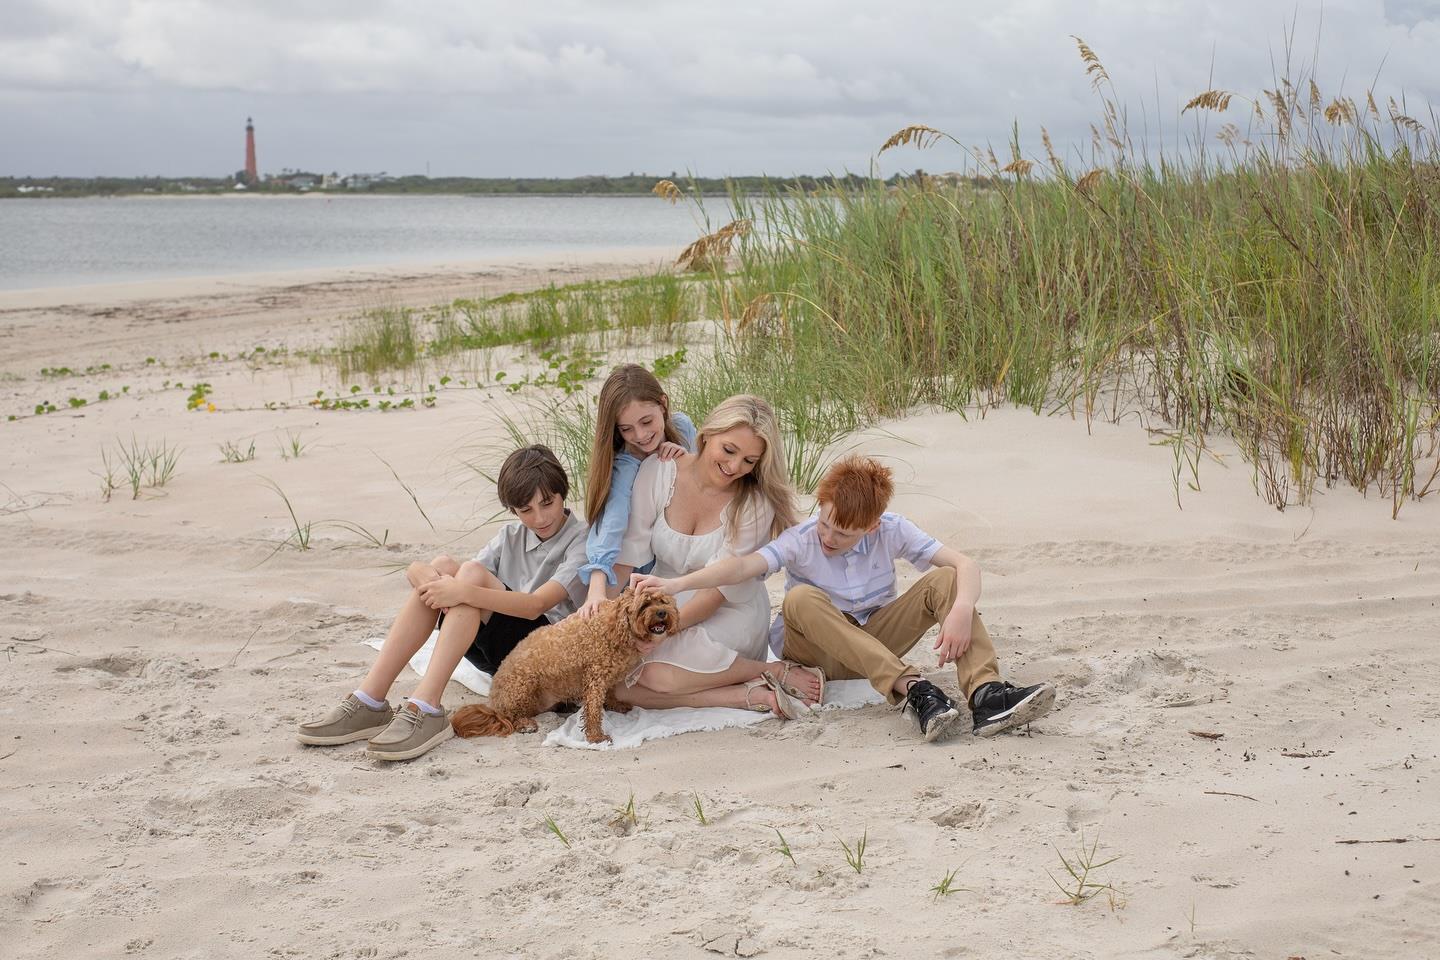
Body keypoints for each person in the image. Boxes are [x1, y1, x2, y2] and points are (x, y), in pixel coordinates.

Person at [634, 455, 1055, 742]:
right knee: (800, 599)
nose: (829, 537)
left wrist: (961, 609)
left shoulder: (892, 529)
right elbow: (741, 567)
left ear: (872, 526)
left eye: (843, 533)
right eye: (826, 523)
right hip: (818, 652)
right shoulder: (801, 539)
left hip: (873, 640)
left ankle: (986, 695)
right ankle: (912, 688)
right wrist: (676, 586)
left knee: (946, 579)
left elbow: (966, 564)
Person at [295, 444, 588, 761]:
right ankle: (370, 699)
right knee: (445, 566)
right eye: (525, 510)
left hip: (549, 662)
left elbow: (535, 605)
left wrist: (459, 591)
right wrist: (419, 570)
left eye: (547, 503)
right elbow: (457, 577)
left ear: (563, 493)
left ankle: (426, 706)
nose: (539, 517)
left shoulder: (583, 539)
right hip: (504, 657)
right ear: (513, 510)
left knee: (468, 577)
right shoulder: (511, 535)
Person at [611, 394, 822, 718]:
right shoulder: (659, 471)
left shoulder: (754, 503)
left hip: (729, 607)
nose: (735, 467)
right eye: (729, 450)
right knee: (617, 687)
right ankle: (741, 694)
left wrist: (665, 633)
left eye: (749, 461)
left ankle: (767, 669)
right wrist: (599, 609)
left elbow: (717, 590)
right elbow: (629, 554)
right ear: (708, 433)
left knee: (655, 676)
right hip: (666, 602)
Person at [576, 363, 698, 618]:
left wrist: (685, 461)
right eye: (626, 429)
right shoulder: (626, 465)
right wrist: (596, 589)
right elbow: (612, 523)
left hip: (685, 551)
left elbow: (706, 482)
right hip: (636, 569)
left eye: (646, 421)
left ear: (663, 404)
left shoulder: (683, 429)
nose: (640, 435)